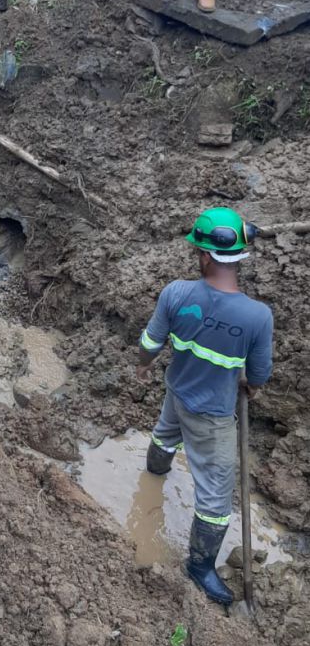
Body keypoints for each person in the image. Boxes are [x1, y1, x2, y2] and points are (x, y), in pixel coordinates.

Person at [136, 208, 273, 605]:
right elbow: (260, 373)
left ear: (206, 256)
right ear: (239, 257)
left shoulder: (176, 293)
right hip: (213, 415)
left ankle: (154, 474)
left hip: (176, 391)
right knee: (215, 496)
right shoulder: (257, 316)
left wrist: (143, 366)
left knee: (164, 435)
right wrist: (250, 386)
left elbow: (150, 343)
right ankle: (199, 566)